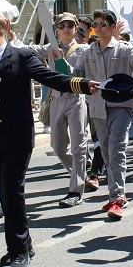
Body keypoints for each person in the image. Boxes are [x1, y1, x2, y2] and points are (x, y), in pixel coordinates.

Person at [0, 12, 97, 267]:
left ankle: (19, 251)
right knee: (5, 190)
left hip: (18, 135)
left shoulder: (20, 56)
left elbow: (50, 77)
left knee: (12, 191)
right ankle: (23, 245)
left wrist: (82, 84)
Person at [70, 9, 133, 219]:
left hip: (122, 106)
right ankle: (116, 195)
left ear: (111, 26)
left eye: (103, 24)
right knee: (107, 152)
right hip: (98, 107)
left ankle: (117, 197)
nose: (98, 28)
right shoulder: (87, 53)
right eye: (96, 24)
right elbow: (77, 76)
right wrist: (67, 74)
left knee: (117, 150)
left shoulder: (125, 49)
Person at [31, 12, 89, 207]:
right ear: (56, 29)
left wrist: (62, 60)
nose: (66, 29)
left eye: (70, 25)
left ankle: (75, 190)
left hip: (75, 98)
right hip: (56, 99)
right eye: (62, 26)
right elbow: (28, 50)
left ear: (75, 28)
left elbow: (77, 76)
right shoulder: (49, 48)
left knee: (79, 145)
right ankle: (80, 173)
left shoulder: (83, 50)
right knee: (57, 145)